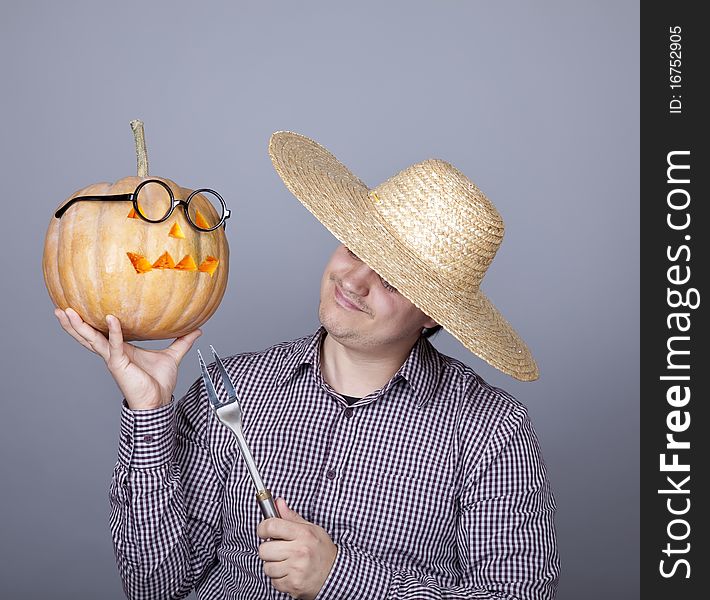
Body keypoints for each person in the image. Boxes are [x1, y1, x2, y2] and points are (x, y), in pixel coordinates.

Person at [54, 131, 559, 599]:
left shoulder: (492, 431)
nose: (353, 281)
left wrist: (342, 578)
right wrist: (149, 411)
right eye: (354, 248)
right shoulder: (235, 388)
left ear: (431, 315)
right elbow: (157, 587)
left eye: (392, 280)